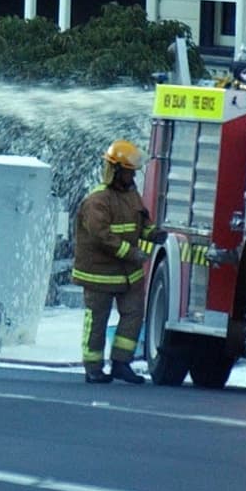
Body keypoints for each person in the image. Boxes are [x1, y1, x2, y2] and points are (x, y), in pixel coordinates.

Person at [71, 139, 166, 384]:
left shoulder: (131, 195)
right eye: (128, 171)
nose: (132, 175)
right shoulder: (97, 201)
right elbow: (102, 236)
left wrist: (152, 233)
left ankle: (121, 364)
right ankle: (93, 367)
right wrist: (131, 253)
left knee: (133, 315)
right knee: (97, 321)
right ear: (115, 170)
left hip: (128, 274)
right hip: (99, 273)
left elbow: (139, 223)